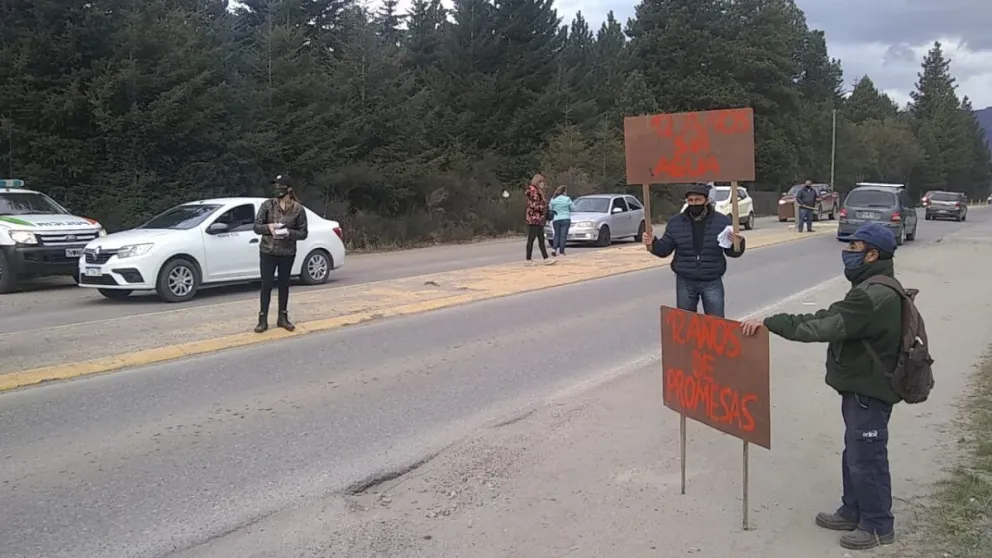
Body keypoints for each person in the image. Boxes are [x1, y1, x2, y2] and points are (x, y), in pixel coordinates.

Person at [740, 223, 902, 551]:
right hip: (862, 386)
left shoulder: (873, 295)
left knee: (866, 456)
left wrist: (773, 323)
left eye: (855, 249)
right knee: (855, 451)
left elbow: (823, 325)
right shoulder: (873, 286)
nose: (848, 254)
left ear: (873, 255)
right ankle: (852, 509)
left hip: (869, 390)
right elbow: (834, 316)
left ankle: (877, 525)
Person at [642, 184, 745, 317]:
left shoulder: (722, 222)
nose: (694, 203)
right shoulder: (676, 223)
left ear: (706, 201)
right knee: (685, 325)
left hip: (712, 280)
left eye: (698, 200)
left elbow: (732, 253)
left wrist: (738, 243)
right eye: (690, 200)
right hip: (685, 280)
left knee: (717, 324)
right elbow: (664, 249)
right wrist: (653, 242)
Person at [253, 174, 309, 333]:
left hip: (287, 252)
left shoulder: (298, 209)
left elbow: (303, 233)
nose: (276, 189)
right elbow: (256, 227)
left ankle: (282, 317)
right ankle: (262, 319)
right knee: (267, 284)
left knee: (284, 285)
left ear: (289, 189)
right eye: (275, 186)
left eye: (280, 186)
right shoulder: (267, 205)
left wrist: (288, 233)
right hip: (267, 250)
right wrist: (268, 228)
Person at [524, 174, 555, 266]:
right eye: (541, 182)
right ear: (538, 182)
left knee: (541, 239)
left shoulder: (538, 191)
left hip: (538, 218)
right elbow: (533, 205)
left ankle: (546, 258)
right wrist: (543, 207)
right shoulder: (534, 191)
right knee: (531, 239)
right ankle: (528, 259)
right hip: (534, 218)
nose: (543, 184)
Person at [548, 185, 573, 256]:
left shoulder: (553, 199)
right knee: (563, 235)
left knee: (556, 234)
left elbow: (550, 208)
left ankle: (554, 249)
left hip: (556, 219)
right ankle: (561, 252)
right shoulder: (567, 199)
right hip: (565, 218)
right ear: (564, 192)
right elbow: (572, 208)